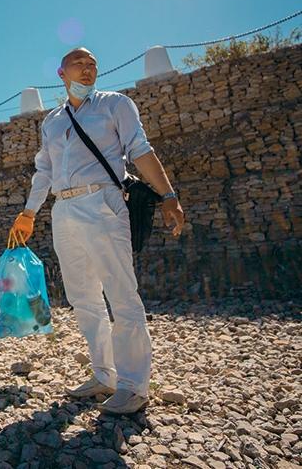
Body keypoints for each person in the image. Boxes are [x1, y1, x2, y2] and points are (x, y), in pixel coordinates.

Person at [10, 47, 185, 414]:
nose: (88, 69)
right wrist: (29, 213)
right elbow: (44, 170)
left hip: (102, 202)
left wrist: (168, 195)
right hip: (64, 209)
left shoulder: (115, 104)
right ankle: (104, 375)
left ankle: (134, 386)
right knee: (83, 297)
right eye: (79, 64)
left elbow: (140, 149)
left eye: (92, 64)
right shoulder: (52, 121)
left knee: (121, 294)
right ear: (62, 73)